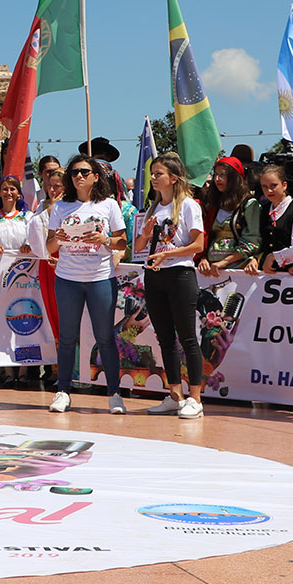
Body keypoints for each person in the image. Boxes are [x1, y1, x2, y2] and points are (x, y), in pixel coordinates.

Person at [32, 152, 127, 414]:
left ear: (96, 176)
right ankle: (63, 391)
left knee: (105, 337)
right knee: (67, 337)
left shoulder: (108, 205)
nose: (79, 176)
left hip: (100, 278)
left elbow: (122, 242)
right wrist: (60, 238)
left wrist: (105, 240)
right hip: (68, 279)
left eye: (85, 172)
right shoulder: (61, 207)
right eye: (74, 172)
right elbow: (50, 246)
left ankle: (115, 394)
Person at [132, 153, 206, 419]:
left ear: (173, 178)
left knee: (187, 337)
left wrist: (168, 254)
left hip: (180, 275)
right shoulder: (153, 208)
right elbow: (139, 248)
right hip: (155, 275)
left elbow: (198, 245)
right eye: (152, 173)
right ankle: (175, 394)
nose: (153, 178)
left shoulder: (188, 205)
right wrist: (145, 234)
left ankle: (195, 398)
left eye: (158, 173)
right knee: (164, 337)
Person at [198, 157, 261, 274]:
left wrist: (225, 262)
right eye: (216, 174)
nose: (217, 179)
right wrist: (204, 258)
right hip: (211, 268)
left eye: (223, 175)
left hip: (239, 270)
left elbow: (253, 242)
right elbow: (206, 236)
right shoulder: (212, 204)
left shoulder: (249, 204)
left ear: (235, 178)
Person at [253, 162, 293, 275]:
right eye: (264, 187)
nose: (269, 191)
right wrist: (256, 259)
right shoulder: (264, 210)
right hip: (265, 275)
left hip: (291, 277)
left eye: (273, 185)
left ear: (284, 185)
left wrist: (273, 257)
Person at [0, 176, 31, 255]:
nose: (8, 192)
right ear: (0, 193)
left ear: (18, 194)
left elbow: (33, 239)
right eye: (5, 189)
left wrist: (28, 246)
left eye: (12, 189)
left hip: (24, 263)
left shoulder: (28, 217)